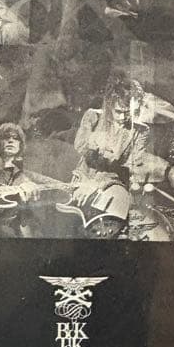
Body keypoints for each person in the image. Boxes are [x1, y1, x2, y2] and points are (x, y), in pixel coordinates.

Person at [59, 75, 151, 237]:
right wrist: (96, 142)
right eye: (118, 112)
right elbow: (80, 146)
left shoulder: (141, 130)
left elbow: (132, 166)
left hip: (113, 185)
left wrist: (98, 185)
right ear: (109, 105)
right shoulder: (93, 116)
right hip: (83, 179)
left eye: (129, 113)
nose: (123, 118)